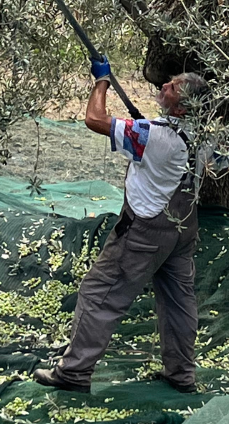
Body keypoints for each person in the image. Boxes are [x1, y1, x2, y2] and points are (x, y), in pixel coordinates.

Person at [33, 59, 210, 395]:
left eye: (172, 88)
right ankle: (181, 374)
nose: (164, 86)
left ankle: (74, 372)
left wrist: (101, 81)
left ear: (182, 108)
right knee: (178, 301)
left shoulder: (153, 136)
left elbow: (94, 119)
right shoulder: (202, 135)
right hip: (183, 229)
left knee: (98, 293)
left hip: (144, 231)